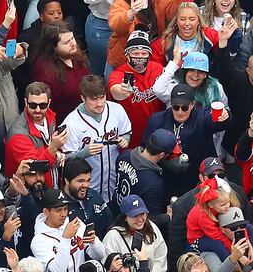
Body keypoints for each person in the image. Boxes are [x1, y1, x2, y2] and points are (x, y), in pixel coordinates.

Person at [143, 83, 230, 196]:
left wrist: (224, 117)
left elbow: (219, 123)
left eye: (184, 107)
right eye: (175, 107)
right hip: (168, 177)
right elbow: (146, 148)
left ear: (192, 105)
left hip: (197, 176)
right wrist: (164, 161)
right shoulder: (158, 120)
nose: (180, 112)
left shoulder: (201, 116)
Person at [60, 75, 132, 203]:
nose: (99, 104)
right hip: (87, 189)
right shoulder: (71, 123)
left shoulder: (116, 110)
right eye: (93, 99)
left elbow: (126, 133)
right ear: (83, 98)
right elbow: (65, 160)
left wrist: (124, 140)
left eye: (102, 97)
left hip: (114, 183)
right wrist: (84, 153)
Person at [108, 28, 166, 149]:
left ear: (149, 55)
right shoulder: (119, 73)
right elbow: (115, 90)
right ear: (127, 55)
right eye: (135, 53)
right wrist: (122, 91)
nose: (140, 57)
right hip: (134, 136)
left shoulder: (158, 68)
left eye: (144, 53)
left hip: (158, 131)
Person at [5, 81, 66, 188]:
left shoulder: (50, 117)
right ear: (25, 102)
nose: (38, 110)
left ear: (49, 103)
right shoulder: (18, 135)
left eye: (42, 105)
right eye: (33, 105)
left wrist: (59, 154)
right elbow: (34, 169)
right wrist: (53, 148)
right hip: (30, 191)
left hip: (52, 183)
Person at [102, 194, 168, 272]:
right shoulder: (113, 236)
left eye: (142, 214)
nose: (140, 219)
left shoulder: (152, 227)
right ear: (125, 217)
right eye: (135, 215)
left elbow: (160, 257)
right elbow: (109, 266)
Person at [30, 21, 91, 122]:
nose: (72, 44)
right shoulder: (44, 73)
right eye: (66, 42)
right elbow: (46, 110)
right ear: (53, 47)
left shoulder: (75, 55)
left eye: (72, 38)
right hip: (64, 124)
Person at [114, 129, 176, 216]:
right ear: (162, 155)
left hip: (117, 211)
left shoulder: (125, 155)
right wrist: (167, 217)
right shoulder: (153, 184)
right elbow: (152, 219)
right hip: (133, 223)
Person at [61, 159, 114, 238]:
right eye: (80, 181)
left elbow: (110, 224)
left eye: (88, 180)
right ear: (67, 181)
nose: (86, 185)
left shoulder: (94, 195)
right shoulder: (59, 206)